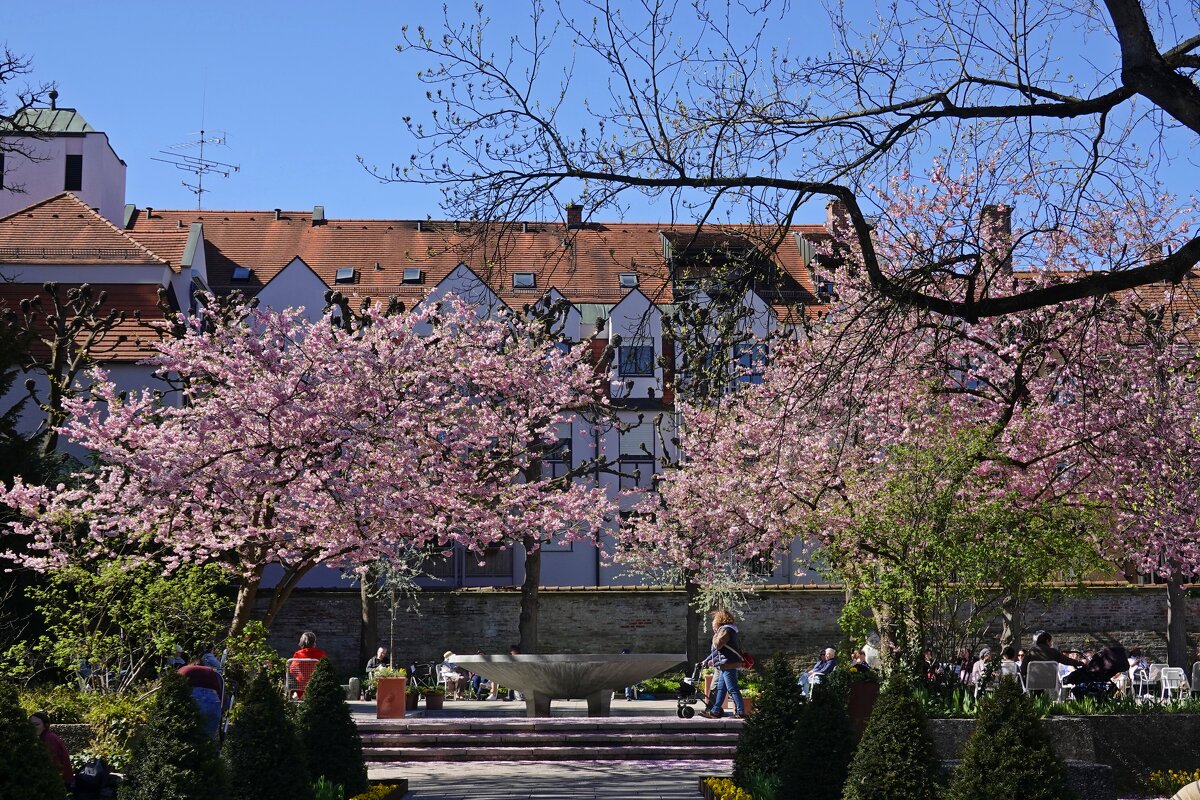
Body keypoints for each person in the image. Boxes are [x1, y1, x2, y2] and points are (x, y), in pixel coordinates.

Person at [698, 609, 745, 719]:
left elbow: (717, 645)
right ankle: (715, 711)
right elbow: (719, 650)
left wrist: (715, 633)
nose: (714, 622)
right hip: (725, 664)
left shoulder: (725, 630)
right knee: (721, 689)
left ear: (719, 620)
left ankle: (741, 711)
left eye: (715, 619)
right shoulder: (730, 629)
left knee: (732, 688)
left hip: (728, 664)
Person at [179, 653, 223, 738]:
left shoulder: (184, 669)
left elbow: (174, 688)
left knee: (189, 738)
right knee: (208, 740)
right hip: (213, 702)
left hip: (194, 698)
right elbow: (220, 692)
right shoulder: (211, 672)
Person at [29, 711, 73, 789]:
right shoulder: (45, 737)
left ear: (45, 726)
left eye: (37, 724)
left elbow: (53, 763)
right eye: (31, 725)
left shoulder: (49, 739)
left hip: (60, 783)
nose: (33, 727)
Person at [288, 630, 327, 699]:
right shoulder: (321, 654)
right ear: (314, 643)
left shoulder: (297, 654)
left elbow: (292, 670)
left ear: (301, 642)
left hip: (301, 690)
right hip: (317, 688)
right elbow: (326, 669)